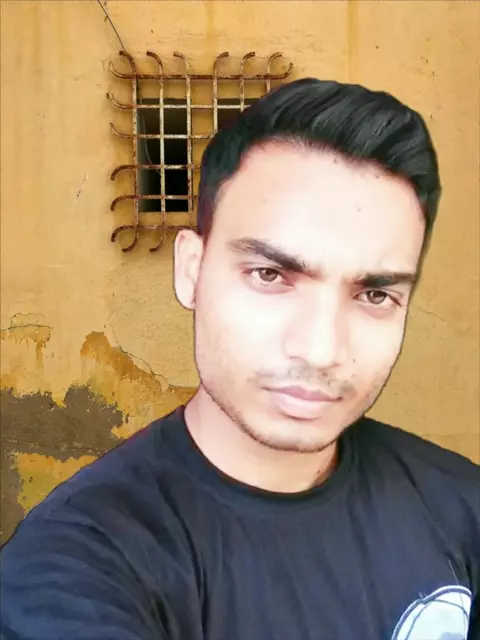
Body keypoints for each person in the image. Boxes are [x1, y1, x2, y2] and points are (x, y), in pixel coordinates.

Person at [1, 78, 478, 640]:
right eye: (270, 275)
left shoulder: (459, 506)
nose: (321, 350)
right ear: (191, 271)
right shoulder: (77, 567)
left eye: (374, 294)